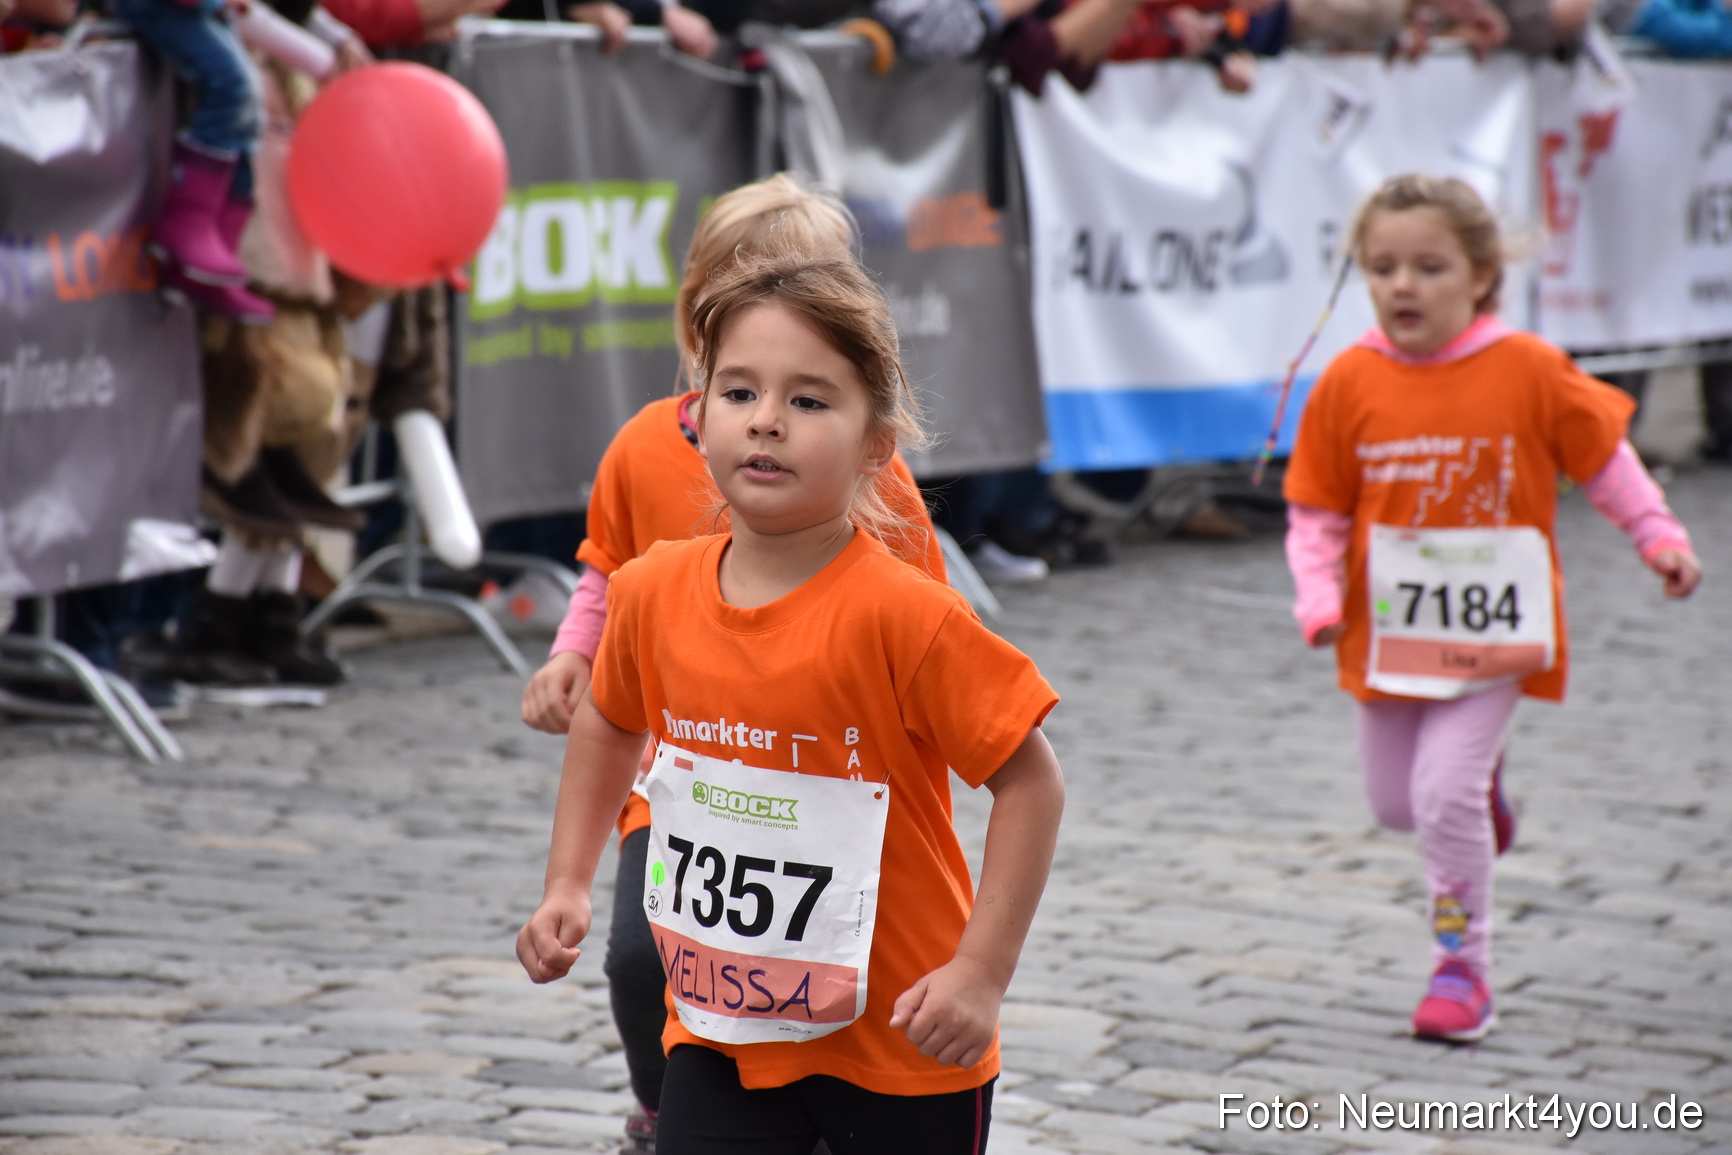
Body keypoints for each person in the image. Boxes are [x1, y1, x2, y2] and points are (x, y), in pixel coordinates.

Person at [517, 249, 1064, 1154]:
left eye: (808, 401)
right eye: (738, 393)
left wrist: (978, 973)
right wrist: (568, 880)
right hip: (718, 1030)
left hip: (899, 1042)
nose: (766, 421)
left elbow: (1031, 782)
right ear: (696, 415)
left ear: (876, 443)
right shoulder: (650, 590)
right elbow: (610, 718)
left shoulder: (907, 615)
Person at [1281, 174, 1701, 1044]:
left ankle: (1462, 967)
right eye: (1383, 266)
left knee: (1440, 796)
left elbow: (1605, 459)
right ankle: (1486, 799)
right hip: (1391, 635)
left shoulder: (1530, 367)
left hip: (1498, 636)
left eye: (1429, 266)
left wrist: (1656, 534)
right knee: (1398, 803)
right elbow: (1317, 509)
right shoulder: (1349, 382)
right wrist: (1318, 595)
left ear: (1480, 275)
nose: (1404, 285)